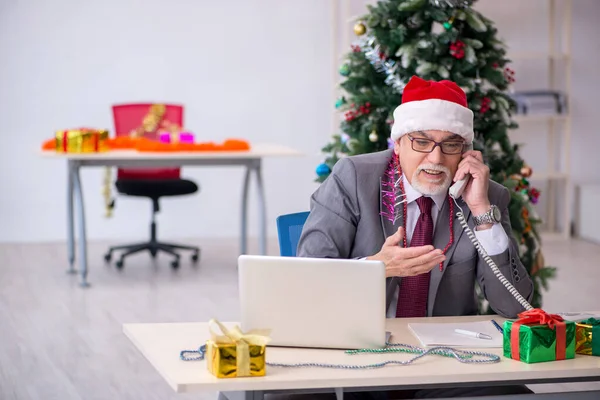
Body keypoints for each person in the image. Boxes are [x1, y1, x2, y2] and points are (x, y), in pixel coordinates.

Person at [295, 76, 534, 399]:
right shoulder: (353, 178)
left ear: (466, 153)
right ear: (399, 143)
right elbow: (308, 277)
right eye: (421, 142)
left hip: (444, 367)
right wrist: (375, 266)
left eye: (450, 145)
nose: (435, 159)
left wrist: (481, 212)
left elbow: (514, 305)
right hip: (356, 358)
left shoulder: (485, 197)